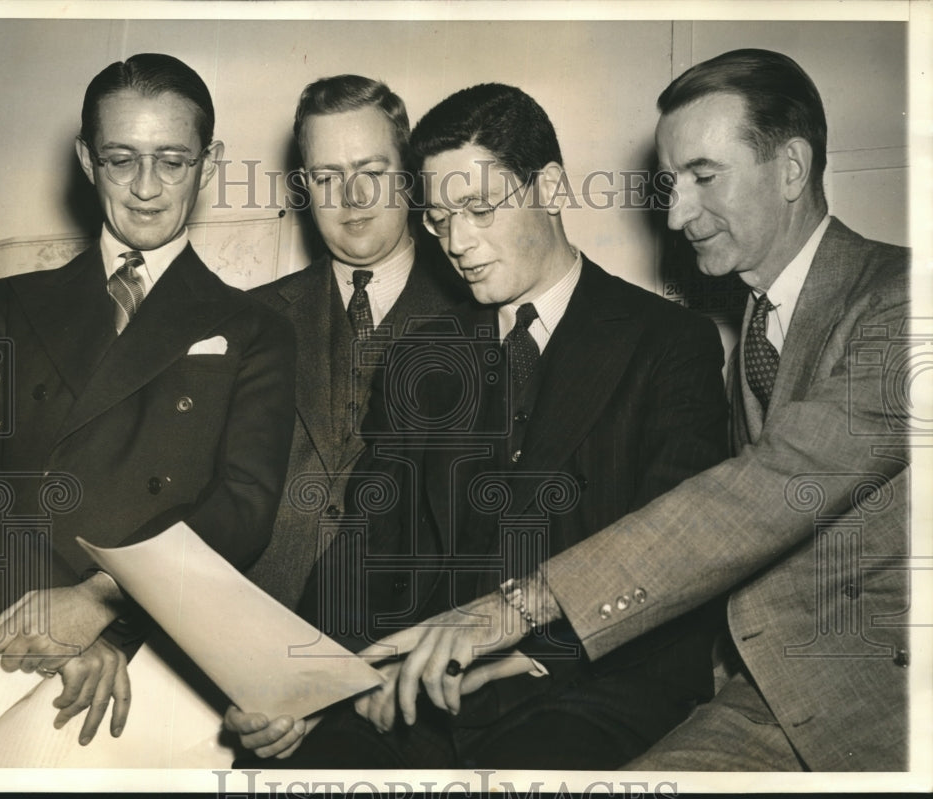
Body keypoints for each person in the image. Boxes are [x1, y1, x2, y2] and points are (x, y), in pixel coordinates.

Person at [354, 49, 912, 771]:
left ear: (793, 168)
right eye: (670, 183)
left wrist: (518, 609)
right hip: (755, 689)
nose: (675, 213)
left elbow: (761, 493)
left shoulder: (905, 300)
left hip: (879, 688)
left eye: (703, 178)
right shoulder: (752, 320)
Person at [226, 83, 729, 768]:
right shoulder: (422, 357)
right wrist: (310, 682)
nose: (458, 242)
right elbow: (364, 546)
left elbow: (679, 555)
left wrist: (532, 654)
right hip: (424, 700)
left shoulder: (669, 341)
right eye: (438, 219)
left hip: (588, 685)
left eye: (479, 208)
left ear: (549, 186)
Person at [0, 53, 296, 746]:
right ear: (87, 160)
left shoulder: (256, 328)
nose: (146, 188)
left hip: (165, 641)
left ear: (211, 161)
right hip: (2, 621)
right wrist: (51, 627)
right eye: (121, 159)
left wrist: (99, 603)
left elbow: (242, 509)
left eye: (173, 160)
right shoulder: (3, 305)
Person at [243, 75, 466, 610]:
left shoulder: (479, 312)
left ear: (410, 176)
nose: (353, 197)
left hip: (402, 640)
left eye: (372, 171)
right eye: (327, 177)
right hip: (253, 627)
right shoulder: (248, 318)